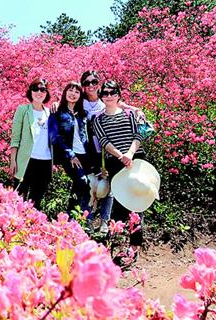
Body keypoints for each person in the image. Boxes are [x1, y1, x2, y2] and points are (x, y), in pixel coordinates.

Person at [80, 70, 143, 234]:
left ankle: (106, 223)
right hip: (88, 151)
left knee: (110, 188)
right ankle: (86, 222)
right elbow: (67, 104)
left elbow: (124, 107)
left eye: (94, 82)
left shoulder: (106, 103)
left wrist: (136, 109)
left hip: (107, 154)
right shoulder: (81, 103)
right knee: (88, 186)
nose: (91, 85)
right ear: (83, 86)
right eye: (87, 83)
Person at [93, 80, 146, 258]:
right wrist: (120, 156)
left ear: (118, 95)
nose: (109, 96)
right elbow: (104, 141)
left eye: (112, 93)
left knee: (137, 201)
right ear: (101, 96)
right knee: (120, 202)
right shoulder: (98, 119)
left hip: (135, 159)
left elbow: (140, 133)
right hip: (116, 162)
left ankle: (135, 245)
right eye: (105, 93)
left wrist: (130, 154)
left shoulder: (130, 115)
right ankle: (115, 240)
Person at [48, 81, 94, 226]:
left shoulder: (83, 115)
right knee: (83, 182)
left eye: (77, 92)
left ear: (80, 96)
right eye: (70, 90)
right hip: (70, 156)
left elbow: (88, 136)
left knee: (79, 186)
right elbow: (54, 136)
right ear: (65, 92)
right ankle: (78, 219)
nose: (73, 94)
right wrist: (70, 154)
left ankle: (70, 221)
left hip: (85, 155)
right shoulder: (57, 113)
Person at [10, 79, 52, 209]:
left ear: (46, 93)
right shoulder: (23, 110)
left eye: (43, 89)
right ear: (30, 92)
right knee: (18, 199)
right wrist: (13, 161)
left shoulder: (50, 113)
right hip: (26, 160)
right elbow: (15, 138)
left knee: (36, 200)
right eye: (35, 89)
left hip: (45, 162)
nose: (39, 92)